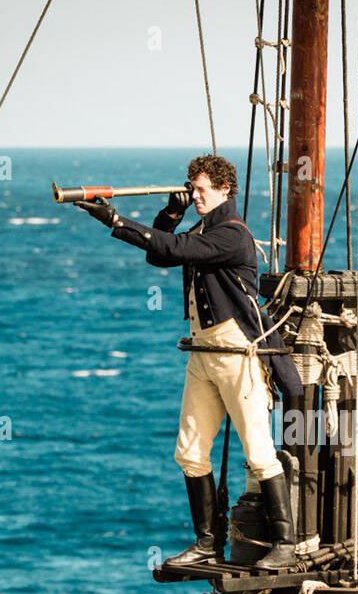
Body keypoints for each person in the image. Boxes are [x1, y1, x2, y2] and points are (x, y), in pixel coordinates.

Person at [75, 154, 303, 570]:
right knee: (190, 451)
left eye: (201, 190)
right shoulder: (204, 228)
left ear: (224, 191)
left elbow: (172, 248)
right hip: (204, 351)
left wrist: (115, 221)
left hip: (237, 351)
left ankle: (285, 544)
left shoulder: (232, 236)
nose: (195, 195)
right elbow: (160, 255)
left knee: (258, 450)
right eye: (191, 188)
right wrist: (171, 211)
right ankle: (207, 543)